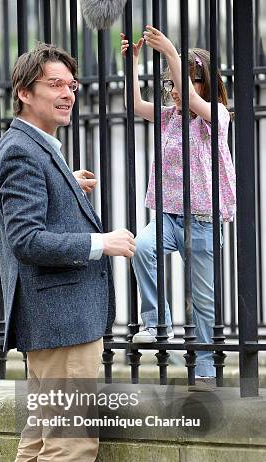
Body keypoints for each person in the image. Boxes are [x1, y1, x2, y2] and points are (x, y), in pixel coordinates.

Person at [0, 42, 135, 462]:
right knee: (69, 442)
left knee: (40, 440)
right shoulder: (22, 151)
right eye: (55, 84)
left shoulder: (31, 146)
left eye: (72, 85)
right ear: (25, 92)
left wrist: (70, 188)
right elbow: (27, 240)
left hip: (54, 319)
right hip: (62, 320)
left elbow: (31, 216)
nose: (69, 92)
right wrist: (101, 242)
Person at [121, 27, 236, 380]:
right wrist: (133, 64)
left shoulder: (215, 116)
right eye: (169, 85)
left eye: (179, 83)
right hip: (170, 217)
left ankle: (203, 370)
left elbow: (191, 99)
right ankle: (157, 324)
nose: (172, 92)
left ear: (203, 83)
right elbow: (135, 105)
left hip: (203, 221)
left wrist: (171, 51)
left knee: (203, 302)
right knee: (140, 246)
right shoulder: (171, 117)